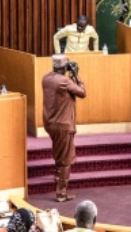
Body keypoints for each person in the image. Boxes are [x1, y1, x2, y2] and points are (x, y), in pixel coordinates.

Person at [42, 55, 87, 202]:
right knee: (66, 159)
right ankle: (61, 192)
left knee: (59, 151)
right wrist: (76, 75)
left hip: (50, 123)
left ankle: (57, 176)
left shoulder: (46, 78)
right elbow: (82, 93)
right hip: (63, 125)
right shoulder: (65, 81)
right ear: (64, 67)